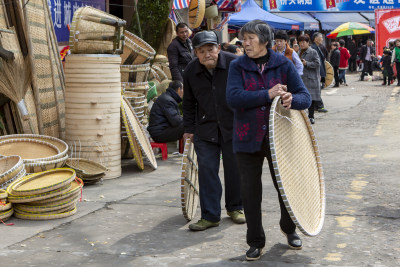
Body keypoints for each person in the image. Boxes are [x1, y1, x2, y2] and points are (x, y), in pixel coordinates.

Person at [226, 20, 311, 261]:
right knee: (250, 193)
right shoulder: (237, 66)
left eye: (251, 38)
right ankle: (255, 241)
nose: (246, 42)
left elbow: (305, 97)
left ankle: (289, 228)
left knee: (286, 188)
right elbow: (232, 98)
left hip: (280, 138)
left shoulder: (283, 64)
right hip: (246, 137)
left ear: (265, 41)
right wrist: (267, 94)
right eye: (244, 38)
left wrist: (290, 99)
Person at [182, 31, 245, 231]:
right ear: (196, 54)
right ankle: (210, 215)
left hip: (232, 126)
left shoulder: (236, 64)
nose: (207, 54)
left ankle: (235, 207)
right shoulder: (191, 71)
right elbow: (189, 102)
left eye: (211, 49)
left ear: (218, 48)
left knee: (234, 169)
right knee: (207, 170)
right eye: (201, 51)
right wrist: (188, 128)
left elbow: (247, 93)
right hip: (205, 128)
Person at [298, 34, 321, 124]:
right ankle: (303, 117)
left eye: (303, 42)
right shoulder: (298, 52)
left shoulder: (313, 52)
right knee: (303, 98)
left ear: (308, 43)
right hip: (301, 78)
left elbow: (317, 63)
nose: (302, 44)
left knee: (311, 99)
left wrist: (307, 63)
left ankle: (311, 116)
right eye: (300, 42)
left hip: (311, 78)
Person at [310, 32, 328, 112]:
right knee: (317, 89)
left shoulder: (318, 47)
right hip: (316, 72)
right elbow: (317, 62)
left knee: (316, 89)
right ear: (315, 39)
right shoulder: (313, 48)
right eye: (321, 37)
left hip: (319, 71)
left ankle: (315, 106)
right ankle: (320, 106)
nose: (322, 39)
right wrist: (320, 73)